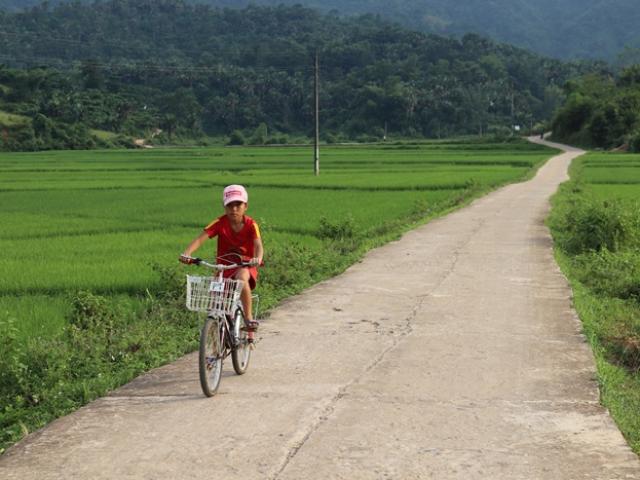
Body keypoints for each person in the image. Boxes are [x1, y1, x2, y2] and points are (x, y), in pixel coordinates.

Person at [180, 184, 264, 342]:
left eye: (238, 205)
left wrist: (257, 258)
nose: (234, 209)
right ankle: (213, 346)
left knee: (241, 279)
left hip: (245, 264)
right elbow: (200, 238)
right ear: (224, 207)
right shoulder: (220, 222)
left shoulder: (251, 224)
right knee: (215, 301)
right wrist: (187, 253)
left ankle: (248, 318)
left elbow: (258, 245)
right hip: (224, 265)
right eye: (229, 205)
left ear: (245, 206)